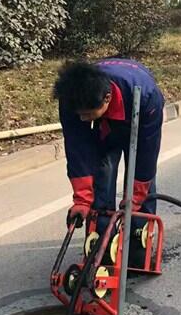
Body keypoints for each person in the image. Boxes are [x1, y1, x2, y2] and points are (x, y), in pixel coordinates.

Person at [53, 59, 164, 264]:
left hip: (137, 114)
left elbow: (147, 154)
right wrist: (82, 200)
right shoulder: (72, 97)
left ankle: (139, 241)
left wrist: (135, 198)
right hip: (105, 126)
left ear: (107, 98)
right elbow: (77, 149)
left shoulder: (148, 97)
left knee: (142, 181)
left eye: (87, 114)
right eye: (80, 115)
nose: (84, 119)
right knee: (102, 172)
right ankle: (102, 242)